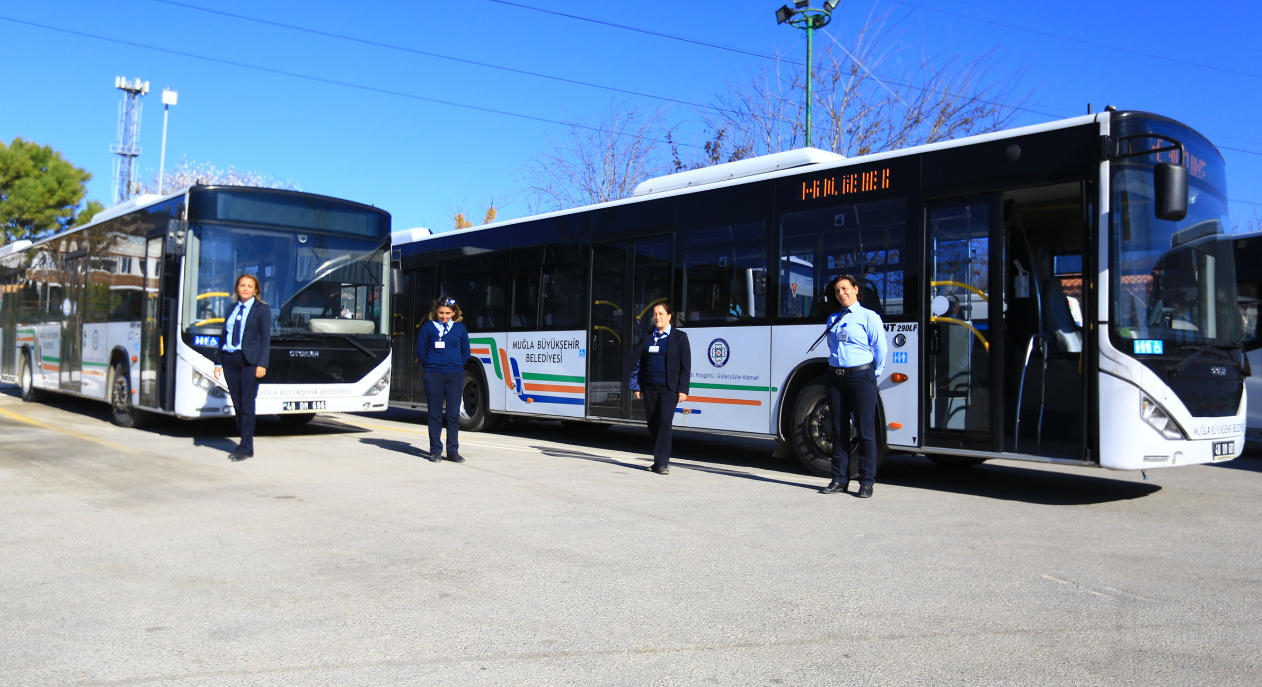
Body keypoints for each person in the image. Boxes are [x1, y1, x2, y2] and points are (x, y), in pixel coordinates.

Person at [819, 274, 887, 498]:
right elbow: (832, 347)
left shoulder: (869, 317)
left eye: (845, 288)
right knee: (839, 431)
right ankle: (839, 479)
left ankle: (867, 481)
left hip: (861, 377)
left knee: (866, 431)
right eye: (838, 291)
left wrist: (872, 374)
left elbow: (880, 348)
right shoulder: (832, 319)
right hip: (836, 378)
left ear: (856, 289)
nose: (841, 293)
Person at [623, 302, 691, 475]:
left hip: (669, 387)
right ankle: (656, 460)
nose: (657, 317)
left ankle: (662, 463)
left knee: (665, 421)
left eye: (661, 314)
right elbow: (639, 362)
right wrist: (637, 385)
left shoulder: (680, 337)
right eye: (654, 314)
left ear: (669, 316)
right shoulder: (647, 336)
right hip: (649, 386)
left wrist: (683, 389)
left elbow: (686, 366)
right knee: (653, 423)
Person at [213, 274, 271, 462]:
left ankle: (245, 447)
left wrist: (262, 363)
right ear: (237, 288)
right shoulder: (231, 308)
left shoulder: (262, 309)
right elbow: (224, 335)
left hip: (250, 362)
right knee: (238, 405)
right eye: (242, 285)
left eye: (250, 286)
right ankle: (244, 442)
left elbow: (265, 339)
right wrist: (218, 361)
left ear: (256, 290)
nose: (246, 288)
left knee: (247, 404)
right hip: (230, 360)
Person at [415, 297, 471, 463]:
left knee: (453, 414)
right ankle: (435, 451)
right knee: (435, 413)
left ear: (454, 313)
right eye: (441, 313)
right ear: (435, 312)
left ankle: (453, 451)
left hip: (454, 375)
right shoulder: (428, 327)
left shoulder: (460, 328)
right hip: (434, 374)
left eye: (447, 313)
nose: (444, 316)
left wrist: (456, 365)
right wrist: (431, 366)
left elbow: (465, 351)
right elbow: (420, 351)